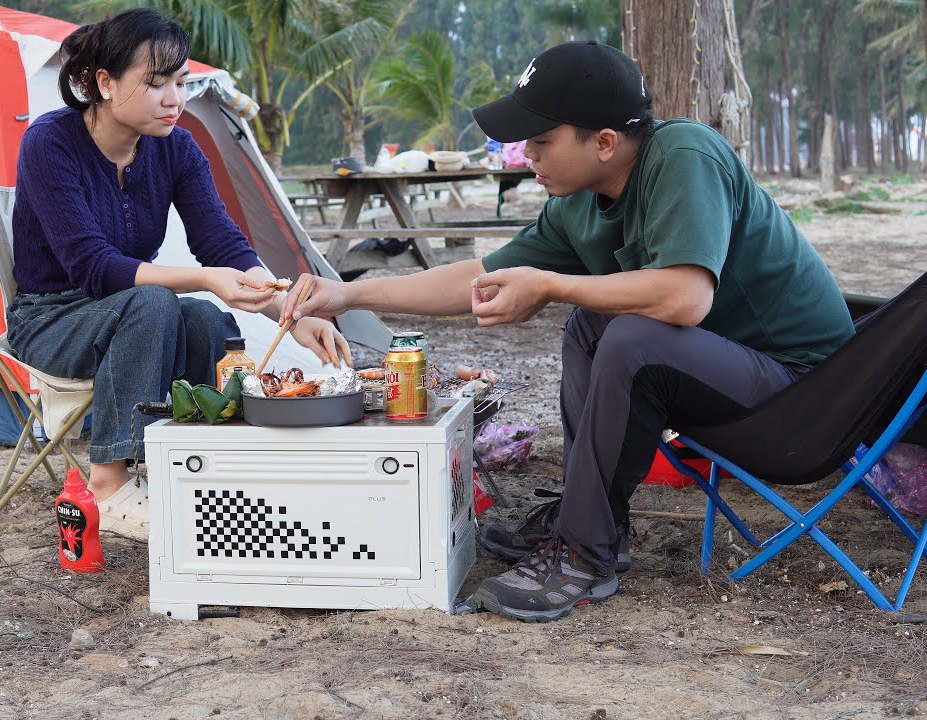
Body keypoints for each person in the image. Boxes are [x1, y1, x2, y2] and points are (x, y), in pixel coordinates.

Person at [282, 40, 854, 621]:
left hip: (808, 403)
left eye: (541, 140)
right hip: (734, 387)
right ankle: (589, 522)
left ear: (604, 142)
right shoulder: (579, 203)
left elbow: (684, 298)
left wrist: (551, 284)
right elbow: (480, 278)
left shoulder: (686, 155)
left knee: (632, 337)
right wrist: (345, 292)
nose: (525, 153)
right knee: (594, 324)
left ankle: (582, 555)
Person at [8, 8, 351, 541]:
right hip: (52, 321)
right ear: (104, 82)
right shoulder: (51, 143)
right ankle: (109, 483)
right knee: (160, 303)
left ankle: (187, 469)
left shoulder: (176, 148)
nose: (174, 99)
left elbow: (222, 242)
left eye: (181, 82)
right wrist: (206, 277)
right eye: (155, 83)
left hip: (122, 314)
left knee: (208, 322)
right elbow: (94, 268)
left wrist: (293, 314)